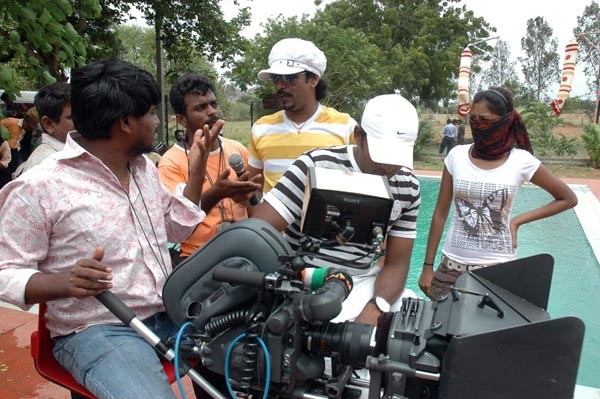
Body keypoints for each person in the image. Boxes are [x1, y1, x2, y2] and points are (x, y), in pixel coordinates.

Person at [0, 59, 219, 399]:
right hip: (98, 329)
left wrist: (197, 169)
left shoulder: (143, 168)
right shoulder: (38, 187)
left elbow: (177, 228)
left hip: (169, 313)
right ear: (126, 122)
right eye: (151, 113)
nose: (158, 121)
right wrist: (64, 282)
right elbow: (4, 271)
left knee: (260, 354)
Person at [252, 94, 420, 327]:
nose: (389, 166)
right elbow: (258, 232)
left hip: (359, 283)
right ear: (358, 135)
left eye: (397, 157)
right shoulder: (316, 166)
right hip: (302, 280)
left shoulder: (408, 186)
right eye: (382, 155)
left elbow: (396, 263)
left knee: (413, 322)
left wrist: (377, 306)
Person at [418, 87, 578, 300]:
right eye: (472, 119)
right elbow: (440, 213)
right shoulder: (456, 156)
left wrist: (516, 222)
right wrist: (427, 266)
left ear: (504, 121)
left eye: (483, 120)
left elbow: (567, 198)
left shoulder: (521, 161)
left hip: (498, 271)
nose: (477, 125)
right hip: (451, 268)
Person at [159, 73, 262, 263]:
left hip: (242, 251)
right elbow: (176, 226)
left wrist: (245, 200)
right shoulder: (171, 162)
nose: (212, 111)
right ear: (182, 119)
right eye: (201, 107)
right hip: (197, 256)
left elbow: (253, 208)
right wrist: (216, 194)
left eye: (214, 104)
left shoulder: (236, 149)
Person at [249, 38, 357, 193]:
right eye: (276, 79)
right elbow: (252, 190)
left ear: (313, 79)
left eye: (289, 79)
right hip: (270, 217)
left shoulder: (346, 127)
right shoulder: (261, 128)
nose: (280, 86)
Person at [13, 82, 73, 178]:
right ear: (48, 124)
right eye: (73, 117)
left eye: (85, 115)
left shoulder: (68, 154)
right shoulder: (47, 166)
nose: (83, 121)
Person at [0, 111, 39, 177]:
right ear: (26, 120)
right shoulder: (11, 121)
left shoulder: (23, 131)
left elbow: (17, 141)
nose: (28, 129)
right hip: (6, 151)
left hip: (14, 153)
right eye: (29, 127)